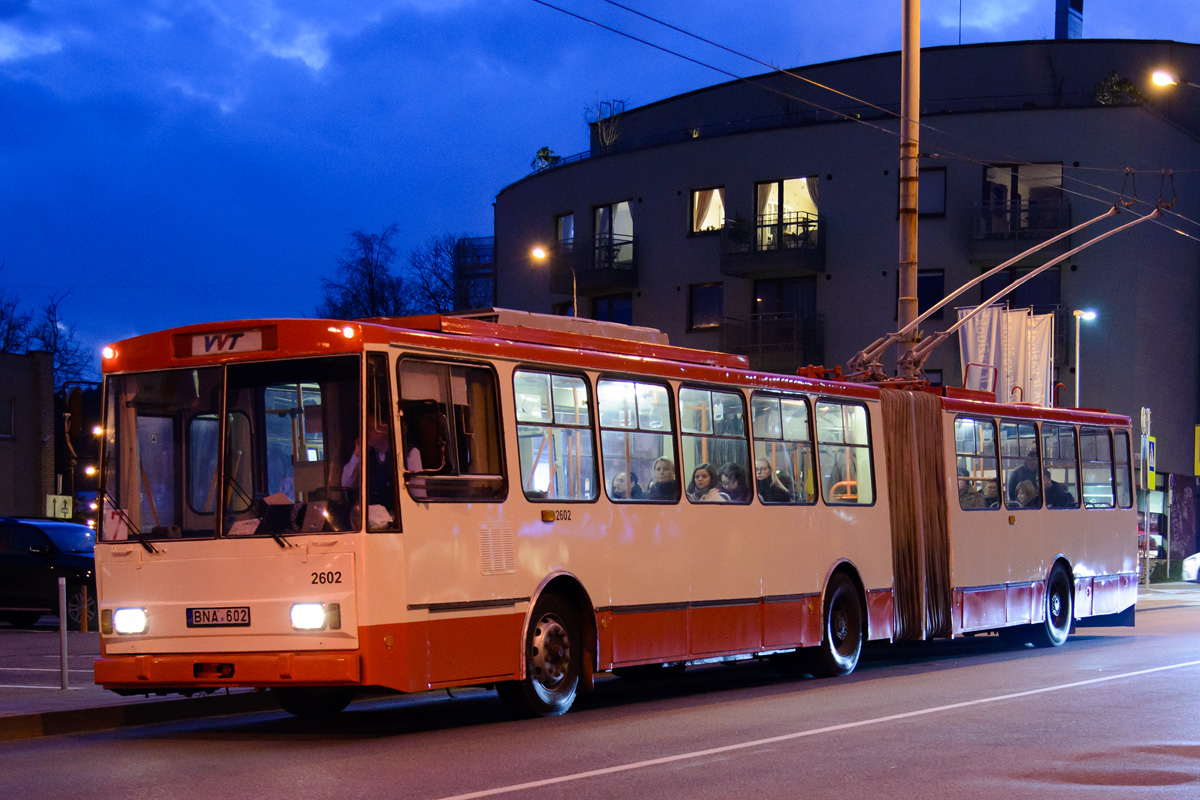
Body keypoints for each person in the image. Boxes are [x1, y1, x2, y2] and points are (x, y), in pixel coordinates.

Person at [342, 415, 396, 525]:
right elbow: (347, 484)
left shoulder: (407, 454)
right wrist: (357, 453)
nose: (366, 433)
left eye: (370, 429)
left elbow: (417, 492)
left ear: (384, 429)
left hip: (393, 521)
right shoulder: (367, 455)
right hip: (369, 521)